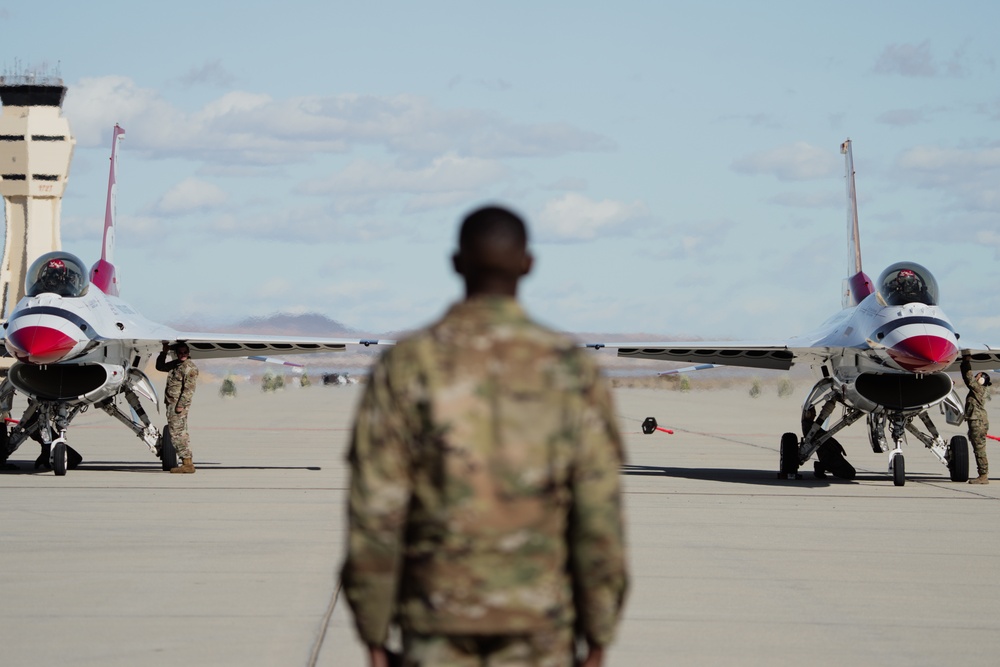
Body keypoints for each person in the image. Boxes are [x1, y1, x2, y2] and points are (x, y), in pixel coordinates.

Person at [341, 205, 628, 667]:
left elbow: (375, 507)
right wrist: (599, 633)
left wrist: (373, 632)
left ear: (457, 263)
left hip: (436, 620)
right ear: (527, 264)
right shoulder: (570, 368)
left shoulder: (408, 364)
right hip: (538, 624)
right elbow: (597, 511)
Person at [156, 342, 199, 474]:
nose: (182, 355)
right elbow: (160, 366)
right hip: (172, 403)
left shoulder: (189, 368)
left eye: (185, 352)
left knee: (177, 434)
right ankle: (187, 462)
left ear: (188, 353)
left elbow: (189, 390)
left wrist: (181, 405)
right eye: (180, 353)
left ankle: (187, 463)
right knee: (178, 432)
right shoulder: (177, 365)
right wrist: (163, 352)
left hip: (177, 406)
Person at [961, 353, 991, 484]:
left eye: (978, 376)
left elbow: (968, 379)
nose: (975, 377)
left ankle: (983, 475)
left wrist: (966, 362)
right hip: (977, 421)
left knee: (979, 449)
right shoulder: (980, 390)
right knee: (978, 448)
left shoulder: (979, 389)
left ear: (982, 380)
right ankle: (982, 474)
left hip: (977, 422)